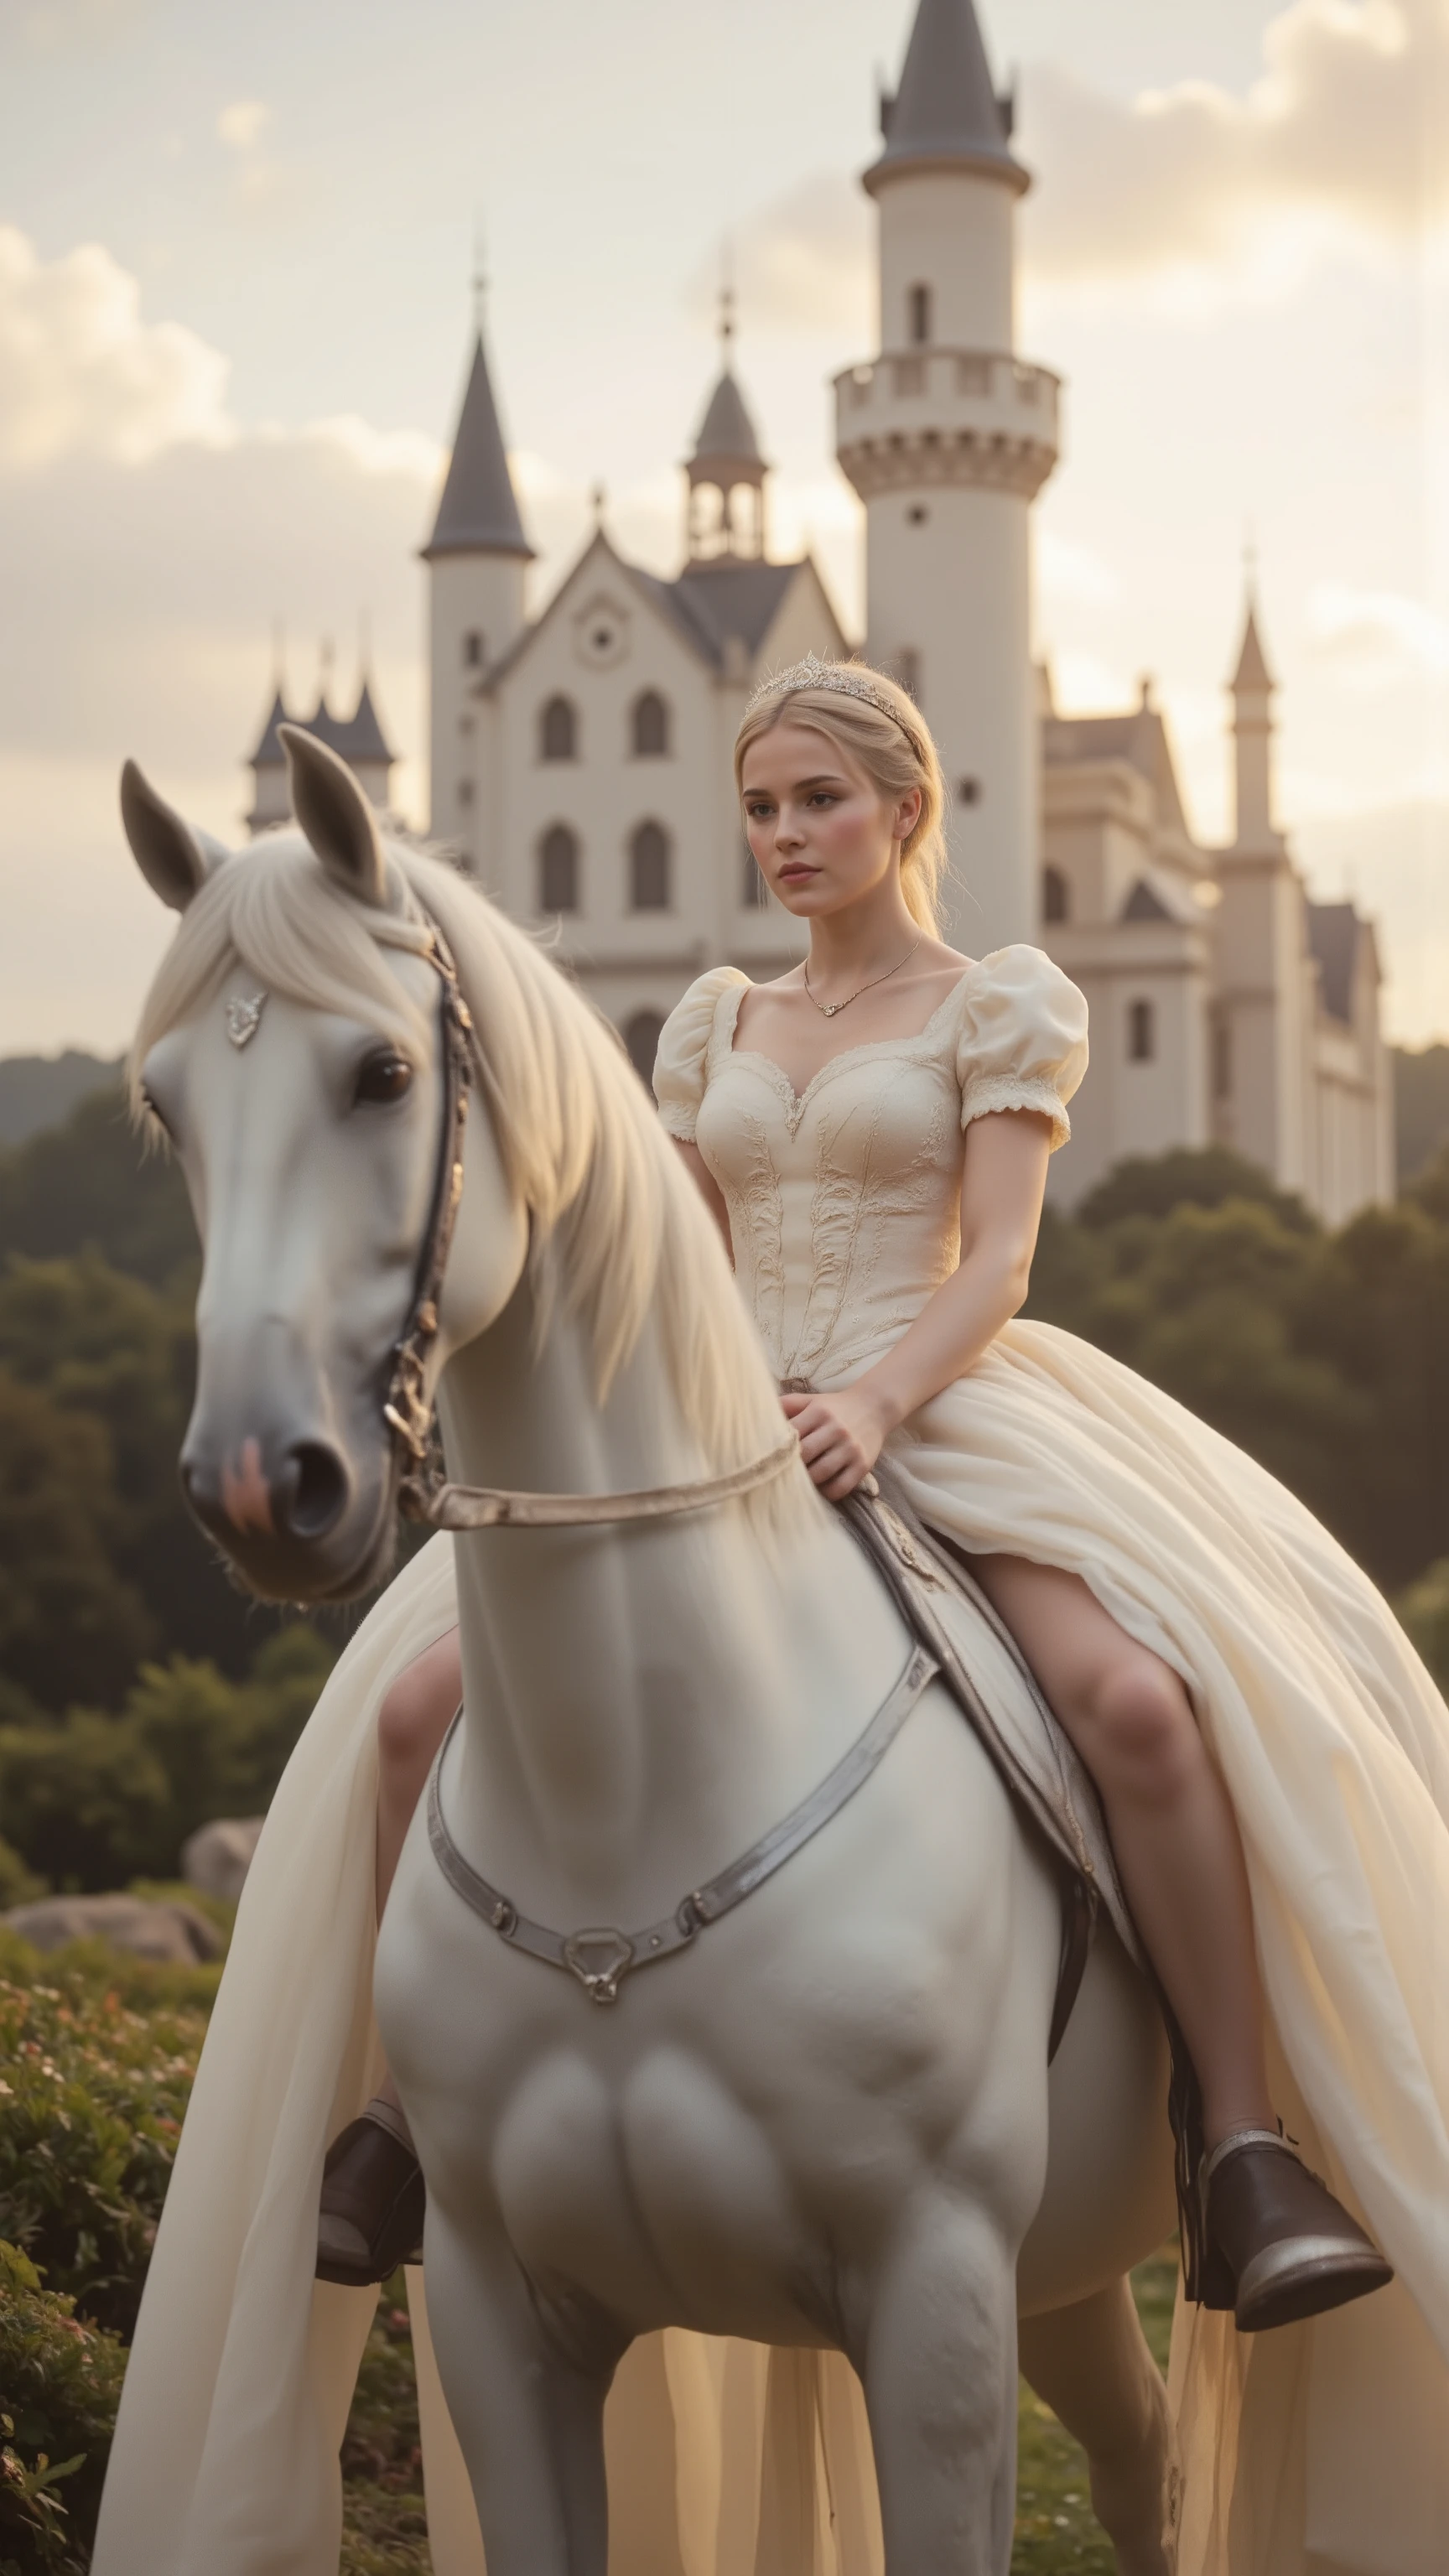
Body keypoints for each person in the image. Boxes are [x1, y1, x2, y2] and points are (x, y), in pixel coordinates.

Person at [322, 652, 1410, 2351]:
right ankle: (402, 2115)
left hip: (939, 1410)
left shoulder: (999, 1002)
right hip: (718, 1439)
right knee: (407, 1721)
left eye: (819, 798)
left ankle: (1244, 2141)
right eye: (760, 804)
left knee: (1136, 1705)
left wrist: (880, 1401)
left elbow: (1001, 1257)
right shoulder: (714, 1020)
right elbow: (668, 1257)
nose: (784, 833)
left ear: (911, 808)